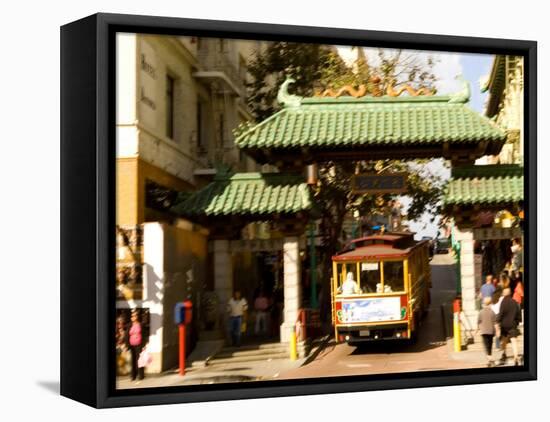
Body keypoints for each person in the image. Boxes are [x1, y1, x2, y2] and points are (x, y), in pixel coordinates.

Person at [496, 288, 521, 366]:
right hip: (513, 324)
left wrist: (497, 321)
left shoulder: (503, 302)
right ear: (510, 293)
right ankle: (516, 357)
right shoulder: (514, 302)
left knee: (504, 341)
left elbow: (501, 313)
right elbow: (518, 314)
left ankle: (504, 354)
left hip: (504, 325)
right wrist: (517, 322)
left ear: (504, 294)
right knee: (514, 341)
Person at [478, 297, 497, 367]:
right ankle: (489, 361)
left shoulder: (481, 312)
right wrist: (498, 331)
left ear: (484, 304)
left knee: (486, 347)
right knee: (490, 347)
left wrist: (478, 329)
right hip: (491, 332)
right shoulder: (492, 312)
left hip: (484, 332)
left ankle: (491, 360)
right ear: (490, 303)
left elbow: (478, 322)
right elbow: (495, 323)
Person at [128, 310, 143, 381]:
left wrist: (144, 345)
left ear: (137, 317)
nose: (134, 317)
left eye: (135, 315)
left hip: (139, 344)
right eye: (132, 316)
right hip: (132, 345)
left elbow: (144, 334)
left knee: (139, 360)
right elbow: (126, 335)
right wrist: (127, 345)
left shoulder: (140, 324)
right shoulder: (129, 325)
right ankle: (133, 376)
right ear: (131, 318)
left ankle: (140, 375)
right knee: (133, 360)